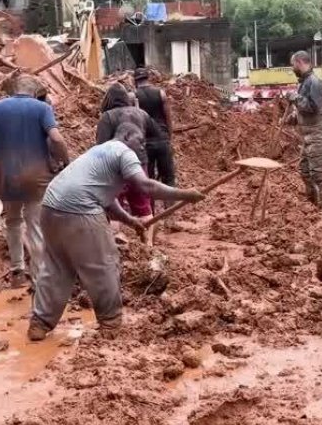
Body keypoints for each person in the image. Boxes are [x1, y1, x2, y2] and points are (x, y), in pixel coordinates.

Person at [28, 123, 204, 340]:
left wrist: (130, 221)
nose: (142, 148)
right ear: (127, 135)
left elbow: (108, 199)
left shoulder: (99, 151)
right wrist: (185, 194)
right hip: (80, 210)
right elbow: (145, 186)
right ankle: (110, 323)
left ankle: (40, 323)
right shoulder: (123, 152)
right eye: (140, 142)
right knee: (103, 264)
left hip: (50, 208)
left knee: (57, 267)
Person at [0, 74, 70, 288]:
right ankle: (38, 280)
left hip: (4, 176)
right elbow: (56, 138)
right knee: (35, 224)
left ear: (13, 90)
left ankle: (17, 272)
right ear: (34, 92)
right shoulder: (42, 109)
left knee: (13, 221)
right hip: (36, 176)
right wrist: (66, 161)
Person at [96, 83, 162, 222]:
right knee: (143, 206)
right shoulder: (141, 114)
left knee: (115, 209)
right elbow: (157, 135)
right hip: (138, 165)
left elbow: (101, 147)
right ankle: (148, 242)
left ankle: (117, 240)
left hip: (116, 168)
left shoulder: (107, 117)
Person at [283, 51, 322, 211]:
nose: (293, 68)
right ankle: (314, 205)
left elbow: (314, 108)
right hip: (308, 135)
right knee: (305, 171)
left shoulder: (314, 82)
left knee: (318, 173)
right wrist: (292, 118)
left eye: (293, 65)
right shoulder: (303, 83)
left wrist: (295, 98)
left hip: (318, 133)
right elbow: (303, 111)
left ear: (300, 62)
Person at [134, 67, 176, 187]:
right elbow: (168, 118)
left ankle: (150, 206)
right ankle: (171, 206)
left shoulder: (134, 96)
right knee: (168, 179)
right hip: (162, 139)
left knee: (149, 181)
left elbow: (134, 121)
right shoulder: (160, 93)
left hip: (146, 143)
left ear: (135, 81)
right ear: (148, 78)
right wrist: (169, 137)